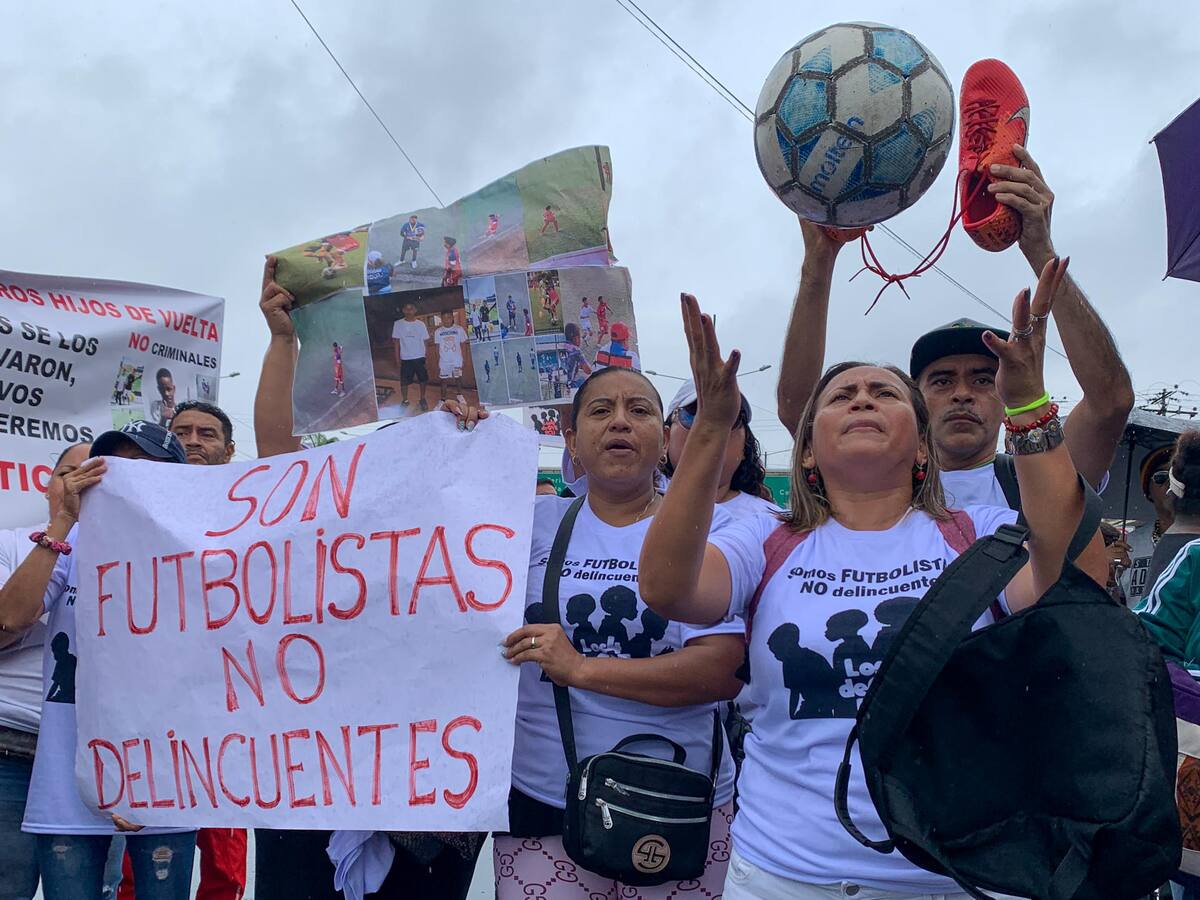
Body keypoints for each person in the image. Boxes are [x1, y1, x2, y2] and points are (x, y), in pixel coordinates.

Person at [639, 278, 1107, 899]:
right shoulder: (765, 538)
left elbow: (1073, 575)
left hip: (957, 877)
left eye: (883, 392)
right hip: (783, 875)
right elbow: (668, 588)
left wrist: (1027, 405)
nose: (861, 399)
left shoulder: (982, 534)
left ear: (921, 443)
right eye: (842, 396)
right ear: (807, 451)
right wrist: (709, 428)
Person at [443, 367, 743, 898]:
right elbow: (419, 553)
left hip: (678, 808)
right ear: (571, 440)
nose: (620, 422)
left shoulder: (713, 527)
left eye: (640, 410)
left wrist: (581, 669)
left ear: (666, 435)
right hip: (544, 808)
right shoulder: (524, 523)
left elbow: (719, 671)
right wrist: (455, 442)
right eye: (601, 411)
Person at [253, 260, 485, 899]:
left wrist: (479, 448)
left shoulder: (475, 549)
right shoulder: (326, 529)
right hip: (310, 785)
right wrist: (282, 342)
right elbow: (277, 460)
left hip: (433, 796)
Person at [776, 146, 1133, 512]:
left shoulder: (1042, 475)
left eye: (982, 379)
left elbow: (1111, 402)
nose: (962, 394)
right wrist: (818, 264)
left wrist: (1041, 250)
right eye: (942, 381)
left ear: (1007, 400)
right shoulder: (875, 483)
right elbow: (798, 411)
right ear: (915, 404)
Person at [0, 422, 198, 900]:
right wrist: (63, 524)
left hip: (167, 775)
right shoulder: (70, 547)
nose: (120, 475)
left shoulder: (201, 548)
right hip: (68, 780)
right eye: (112, 464)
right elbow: (10, 617)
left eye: (139, 464)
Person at [0, 442, 91, 900]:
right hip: (9, 754)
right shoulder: (10, 544)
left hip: (89, 758)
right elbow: (6, 624)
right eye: (66, 473)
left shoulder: (137, 559)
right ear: (47, 484)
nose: (77, 483)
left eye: (91, 475)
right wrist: (62, 529)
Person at [1136, 432, 1200, 676]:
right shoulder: (1132, 540)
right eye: (1157, 477)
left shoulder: (1192, 556)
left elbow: (1144, 647)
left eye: (1166, 477)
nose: (1164, 486)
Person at [663, 379, 775, 519]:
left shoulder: (773, 524)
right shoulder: (635, 511)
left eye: (729, 418)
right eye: (693, 415)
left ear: (745, 446)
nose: (710, 428)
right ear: (665, 439)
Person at [1123, 445, 1177, 605]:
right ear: (1148, 490)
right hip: (1136, 628)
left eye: (1177, 475)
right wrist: (1109, 575)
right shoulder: (1129, 544)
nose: (1170, 483)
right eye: (1161, 476)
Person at [391, 302, 431, 412]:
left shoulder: (421, 324)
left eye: (411, 308)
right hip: (406, 358)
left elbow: (426, 341)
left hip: (419, 357)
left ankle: (422, 399)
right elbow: (396, 343)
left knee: (423, 380)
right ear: (403, 310)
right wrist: (397, 360)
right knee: (404, 382)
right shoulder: (398, 324)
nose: (409, 311)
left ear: (415, 310)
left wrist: (426, 357)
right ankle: (405, 400)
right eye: (406, 309)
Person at [433, 311, 468, 403]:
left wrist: (464, 358)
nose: (446, 320)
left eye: (448, 317)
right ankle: (443, 399)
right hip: (444, 361)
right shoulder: (438, 332)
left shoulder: (459, 329)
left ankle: (459, 394)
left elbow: (463, 345)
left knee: (458, 378)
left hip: (456, 360)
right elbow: (437, 347)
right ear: (441, 319)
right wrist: (438, 360)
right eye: (444, 318)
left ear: (452, 318)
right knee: (443, 381)